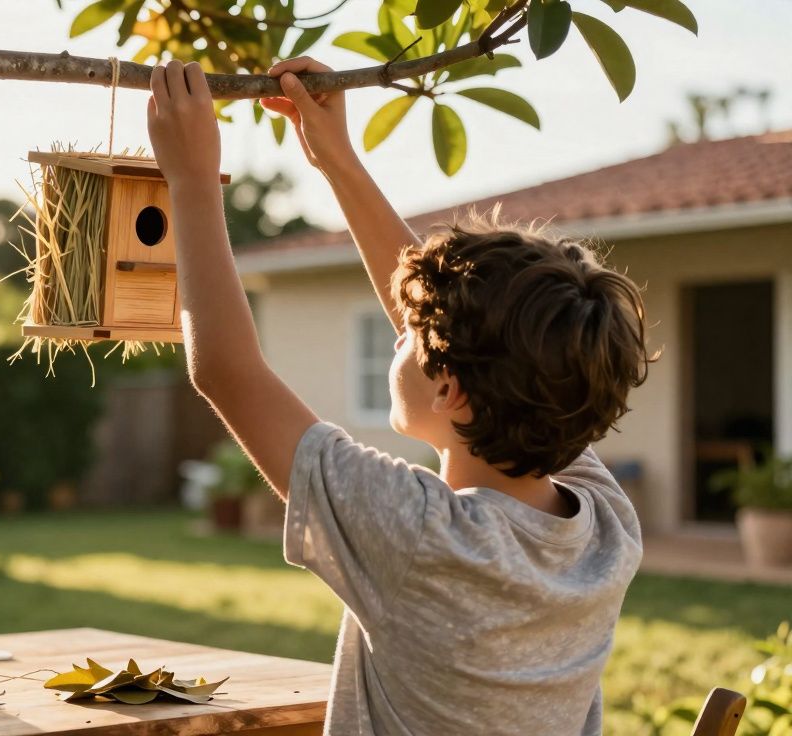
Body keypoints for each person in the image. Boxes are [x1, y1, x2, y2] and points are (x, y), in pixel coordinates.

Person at [145, 56, 660, 735]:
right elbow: (465, 347)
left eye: (408, 333)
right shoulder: (605, 527)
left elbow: (229, 372)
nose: (398, 332)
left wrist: (190, 180)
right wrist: (338, 161)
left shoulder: (420, 536)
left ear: (449, 388)